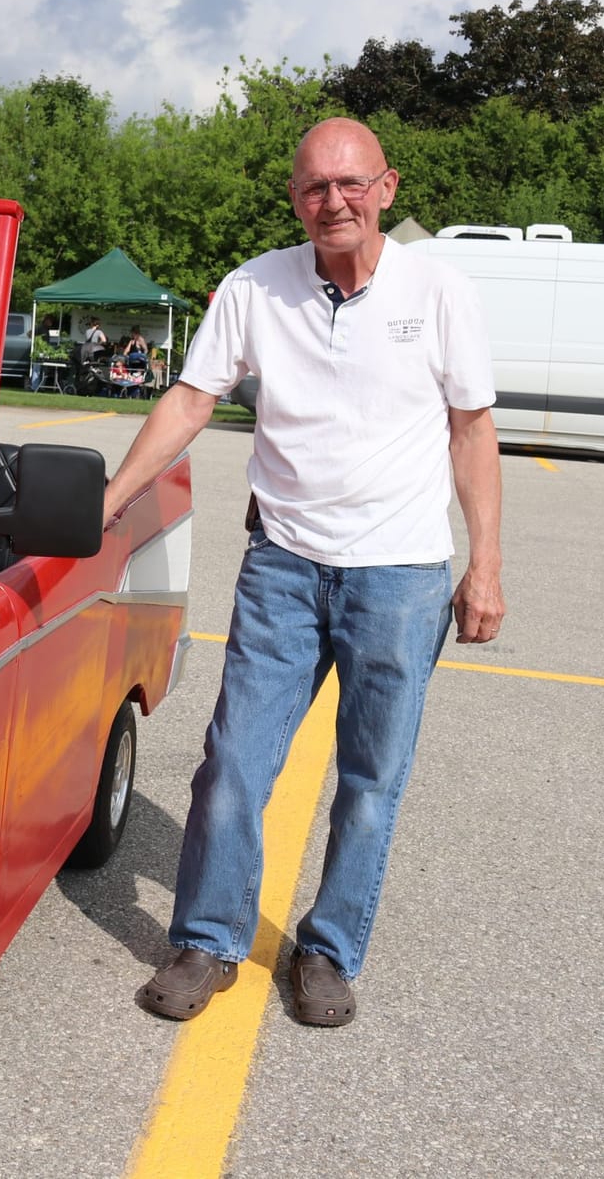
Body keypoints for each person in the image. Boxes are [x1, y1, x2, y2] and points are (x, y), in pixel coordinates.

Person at [103, 118, 504, 1028]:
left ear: (388, 188)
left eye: (352, 183)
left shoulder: (439, 290)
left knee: (370, 779)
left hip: (400, 577)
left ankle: (326, 952)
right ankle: (207, 941)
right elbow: (192, 396)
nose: (335, 201)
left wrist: (485, 565)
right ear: (296, 198)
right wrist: (112, 497)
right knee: (235, 761)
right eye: (316, 187)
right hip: (283, 566)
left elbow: (471, 430)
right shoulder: (254, 287)